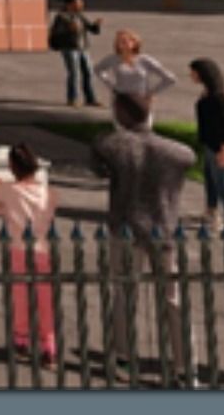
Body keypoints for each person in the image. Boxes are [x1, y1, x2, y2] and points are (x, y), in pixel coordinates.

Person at [91, 92, 200, 384]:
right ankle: (185, 367)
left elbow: (98, 162)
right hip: (162, 228)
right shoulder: (176, 152)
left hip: (125, 227)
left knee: (125, 294)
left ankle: (124, 358)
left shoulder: (112, 144)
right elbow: (190, 156)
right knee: (173, 298)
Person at [0, 143, 58, 366]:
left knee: (21, 296)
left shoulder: (8, 190)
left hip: (19, 248)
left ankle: (21, 339)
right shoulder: (48, 193)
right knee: (45, 299)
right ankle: (49, 345)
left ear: (12, 166)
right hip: (42, 249)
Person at [190, 58, 224, 234]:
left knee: (222, 183)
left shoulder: (219, 97)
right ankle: (212, 211)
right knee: (210, 179)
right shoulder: (206, 93)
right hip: (209, 143)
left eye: (194, 72)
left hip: (220, 146)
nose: (191, 75)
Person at [96, 29, 175, 124]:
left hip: (141, 100)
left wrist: (152, 93)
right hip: (122, 100)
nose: (122, 43)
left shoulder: (145, 60)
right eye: (119, 41)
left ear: (135, 42)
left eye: (126, 40)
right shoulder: (113, 59)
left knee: (144, 130)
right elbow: (98, 69)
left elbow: (170, 78)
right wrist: (110, 85)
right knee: (123, 132)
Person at [48, 0, 103, 108]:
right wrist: (69, 29)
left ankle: (90, 99)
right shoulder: (62, 17)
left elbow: (92, 30)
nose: (81, 5)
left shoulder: (80, 16)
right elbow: (55, 34)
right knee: (74, 73)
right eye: (78, 3)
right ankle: (72, 98)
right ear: (70, 5)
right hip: (70, 48)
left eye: (81, 3)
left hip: (83, 48)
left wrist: (97, 25)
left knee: (88, 73)